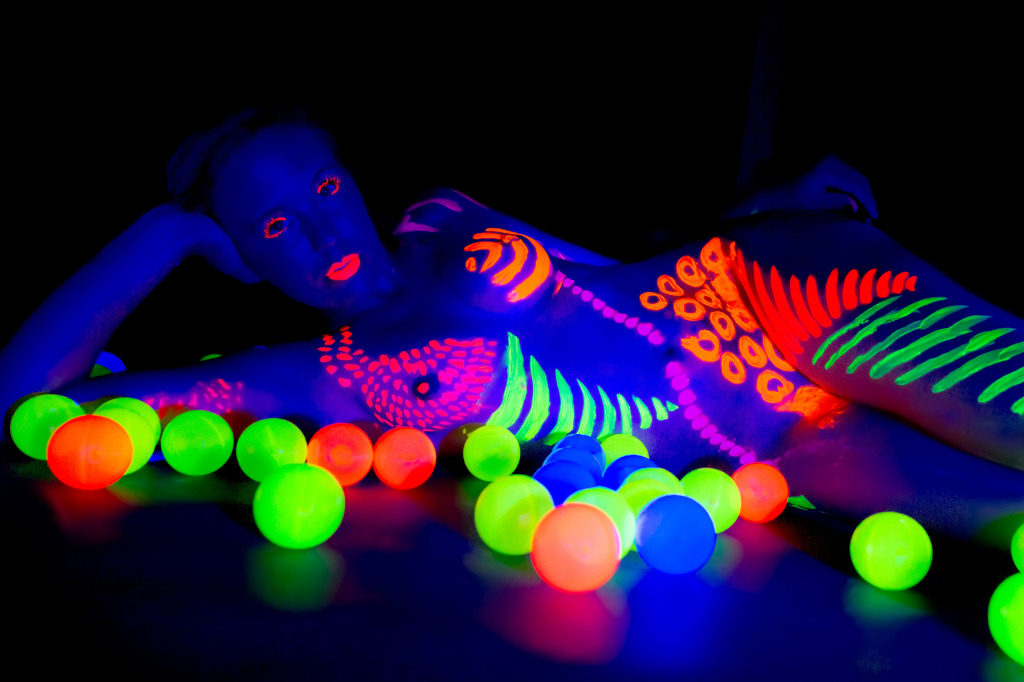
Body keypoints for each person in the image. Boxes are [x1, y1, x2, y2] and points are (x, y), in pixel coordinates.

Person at [1, 108, 1021, 544]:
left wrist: (765, 211)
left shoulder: (438, 216)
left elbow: (608, 271)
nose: (322, 230)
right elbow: (28, 399)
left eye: (325, 186)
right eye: (273, 226)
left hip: (768, 286)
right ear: (240, 257)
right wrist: (168, 230)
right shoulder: (309, 374)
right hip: (771, 441)